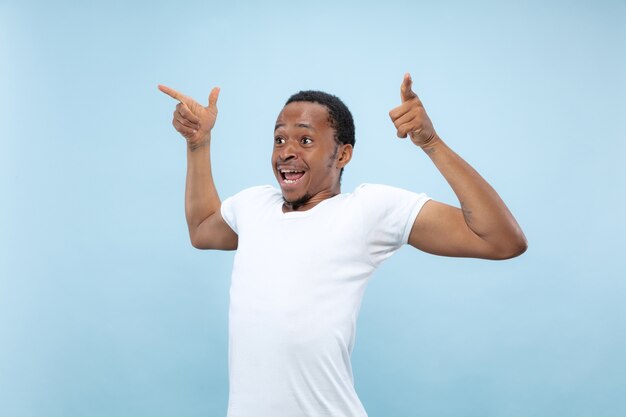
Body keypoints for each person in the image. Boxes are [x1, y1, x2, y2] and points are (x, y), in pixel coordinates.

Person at [158, 74, 527, 417]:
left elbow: (501, 239)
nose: (286, 151)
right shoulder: (254, 205)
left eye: (305, 140)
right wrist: (198, 143)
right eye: (279, 139)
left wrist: (431, 143)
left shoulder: (368, 210)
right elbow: (203, 229)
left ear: (343, 154)